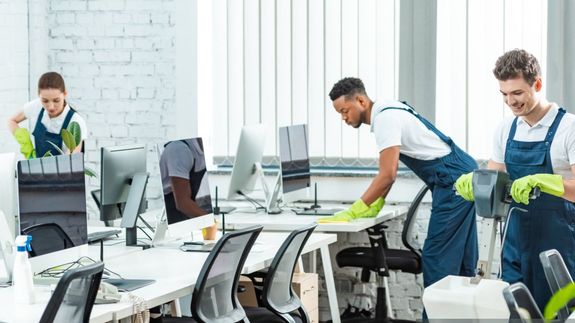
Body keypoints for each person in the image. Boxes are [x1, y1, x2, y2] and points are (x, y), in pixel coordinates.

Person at [323, 77, 479, 288]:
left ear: (360, 101)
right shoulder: (390, 110)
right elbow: (389, 173)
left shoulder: (385, 120)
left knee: (437, 258)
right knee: (461, 258)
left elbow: (388, 174)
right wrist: (375, 203)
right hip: (459, 174)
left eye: (344, 110)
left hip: (454, 181)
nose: (344, 118)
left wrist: (355, 210)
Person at [455, 49, 575, 310]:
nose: (511, 101)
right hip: (515, 239)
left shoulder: (569, 128)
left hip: (559, 243)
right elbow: (495, 181)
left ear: (538, 84)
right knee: (516, 311)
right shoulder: (506, 129)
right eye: (504, 94)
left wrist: (546, 182)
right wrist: (476, 183)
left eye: (517, 93)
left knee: (559, 311)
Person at [7, 72, 88, 158]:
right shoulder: (37, 106)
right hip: (38, 168)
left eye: (56, 100)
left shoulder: (75, 122)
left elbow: (72, 163)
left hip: (64, 170)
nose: (51, 107)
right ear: (39, 96)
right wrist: (27, 146)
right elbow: (12, 121)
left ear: (65, 94)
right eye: (45, 101)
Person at [159, 138, 217, 239]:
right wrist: (209, 222)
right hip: (170, 208)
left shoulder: (201, 150)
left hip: (184, 204)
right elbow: (182, 203)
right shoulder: (179, 150)